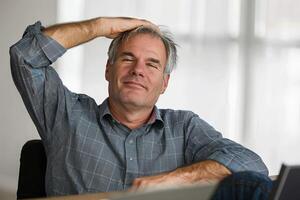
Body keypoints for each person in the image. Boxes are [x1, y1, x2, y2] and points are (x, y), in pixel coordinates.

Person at [10, 17, 269, 197]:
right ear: (108, 69)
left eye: (152, 64)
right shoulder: (65, 114)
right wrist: (100, 26)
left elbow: (251, 164)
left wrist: (172, 181)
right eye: (128, 58)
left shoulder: (185, 127)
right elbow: (25, 57)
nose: (138, 71)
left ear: (164, 83)